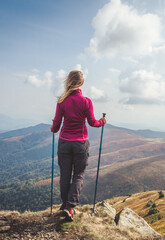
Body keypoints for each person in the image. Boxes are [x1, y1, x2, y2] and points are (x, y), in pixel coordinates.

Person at [50, 70, 106, 221]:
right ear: (81, 83)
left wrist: (53, 128)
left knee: (65, 175)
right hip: (80, 143)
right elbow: (93, 123)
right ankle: (69, 206)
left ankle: (65, 205)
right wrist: (102, 122)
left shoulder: (61, 101)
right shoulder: (86, 101)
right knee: (79, 175)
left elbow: (56, 126)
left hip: (64, 142)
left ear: (68, 81)